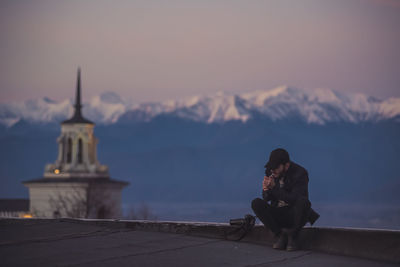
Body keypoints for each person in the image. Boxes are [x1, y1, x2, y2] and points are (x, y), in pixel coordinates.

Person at [251, 148, 319, 251]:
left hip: (294, 214)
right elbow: (266, 199)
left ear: (286, 165)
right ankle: (279, 235)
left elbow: (295, 199)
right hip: (278, 212)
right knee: (256, 203)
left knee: (303, 202)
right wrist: (266, 190)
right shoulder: (271, 172)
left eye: (276, 167)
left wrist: (274, 188)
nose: (273, 170)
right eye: (271, 167)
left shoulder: (300, 173)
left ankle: (293, 236)